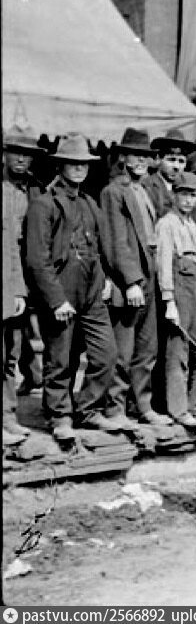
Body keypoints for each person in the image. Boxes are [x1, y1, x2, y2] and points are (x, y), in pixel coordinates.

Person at [25, 134, 121, 439]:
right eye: (72, 163)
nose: (79, 168)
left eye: (84, 164)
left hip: (91, 290)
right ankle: (59, 416)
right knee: (60, 358)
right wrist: (56, 299)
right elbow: (37, 258)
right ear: (60, 165)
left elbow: (100, 248)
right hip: (61, 289)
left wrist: (105, 280)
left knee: (106, 354)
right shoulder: (44, 204)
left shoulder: (89, 203)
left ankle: (88, 408)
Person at [100, 128, 168, 428]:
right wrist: (130, 281)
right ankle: (115, 409)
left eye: (145, 156)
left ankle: (142, 405)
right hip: (130, 279)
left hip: (151, 272)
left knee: (147, 347)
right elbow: (115, 241)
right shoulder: (113, 191)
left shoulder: (145, 190)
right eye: (135, 155)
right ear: (123, 158)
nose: (140, 161)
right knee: (123, 350)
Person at [156, 172, 196, 428]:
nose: (189, 200)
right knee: (178, 353)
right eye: (184, 194)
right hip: (178, 290)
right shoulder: (166, 224)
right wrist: (169, 300)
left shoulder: (191, 224)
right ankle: (179, 410)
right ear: (174, 195)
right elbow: (163, 264)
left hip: (195, 291)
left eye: (194, 195)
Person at [2, 126, 45, 410]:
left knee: (16, 341)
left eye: (27, 154)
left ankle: (30, 379)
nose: (21, 159)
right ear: (5, 153)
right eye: (15, 152)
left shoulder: (35, 188)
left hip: (28, 268)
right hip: (6, 269)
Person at [145, 128, 193, 218]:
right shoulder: (148, 187)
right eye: (171, 160)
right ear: (159, 159)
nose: (176, 167)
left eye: (181, 161)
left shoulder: (185, 186)